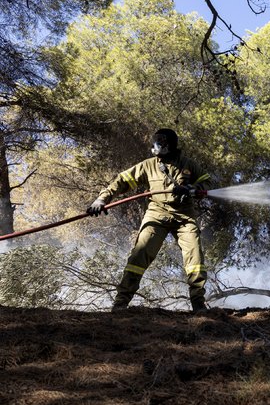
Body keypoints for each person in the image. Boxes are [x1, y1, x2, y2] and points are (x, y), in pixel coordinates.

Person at [87, 128, 214, 312]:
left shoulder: (188, 164)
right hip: (156, 214)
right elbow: (122, 180)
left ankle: (198, 304)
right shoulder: (148, 165)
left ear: (169, 145)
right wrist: (102, 199)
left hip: (184, 217)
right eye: (155, 141)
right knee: (140, 253)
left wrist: (194, 188)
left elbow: (207, 181)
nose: (155, 145)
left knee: (194, 257)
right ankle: (120, 304)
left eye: (159, 141)